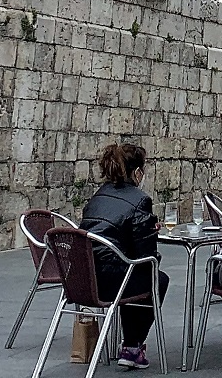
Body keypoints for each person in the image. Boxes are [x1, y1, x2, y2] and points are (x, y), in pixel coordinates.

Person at [78, 143, 170, 371]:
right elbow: (146, 255)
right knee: (155, 278)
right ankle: (132, 347)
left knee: (133, 274)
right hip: (112, 281)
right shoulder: (140, 200)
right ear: (137, 171)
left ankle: (131, 347)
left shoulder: (97, 197)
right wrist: (150, 232)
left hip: (83, 280)